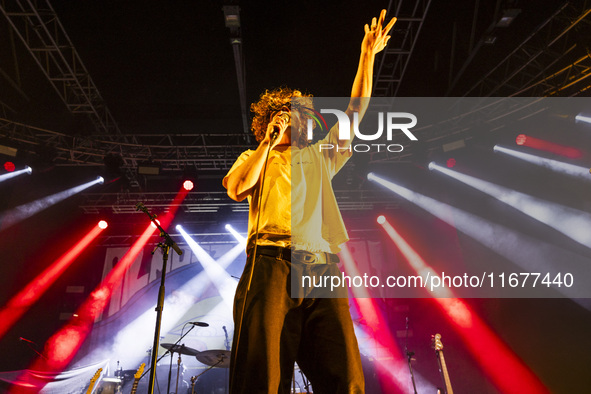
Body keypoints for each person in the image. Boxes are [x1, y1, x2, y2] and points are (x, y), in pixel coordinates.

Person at [223, 10, 396, 394]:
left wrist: (367, 57)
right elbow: (236, 187)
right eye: (282, 114)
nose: (290, 120)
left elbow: (355, 112)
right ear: (269, 120)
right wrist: (267, 141)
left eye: (295, 115)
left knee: (344, 374)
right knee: (263, 375)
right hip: (270, 263)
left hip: (320, 265)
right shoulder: (257, 157)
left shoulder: (318, 155)